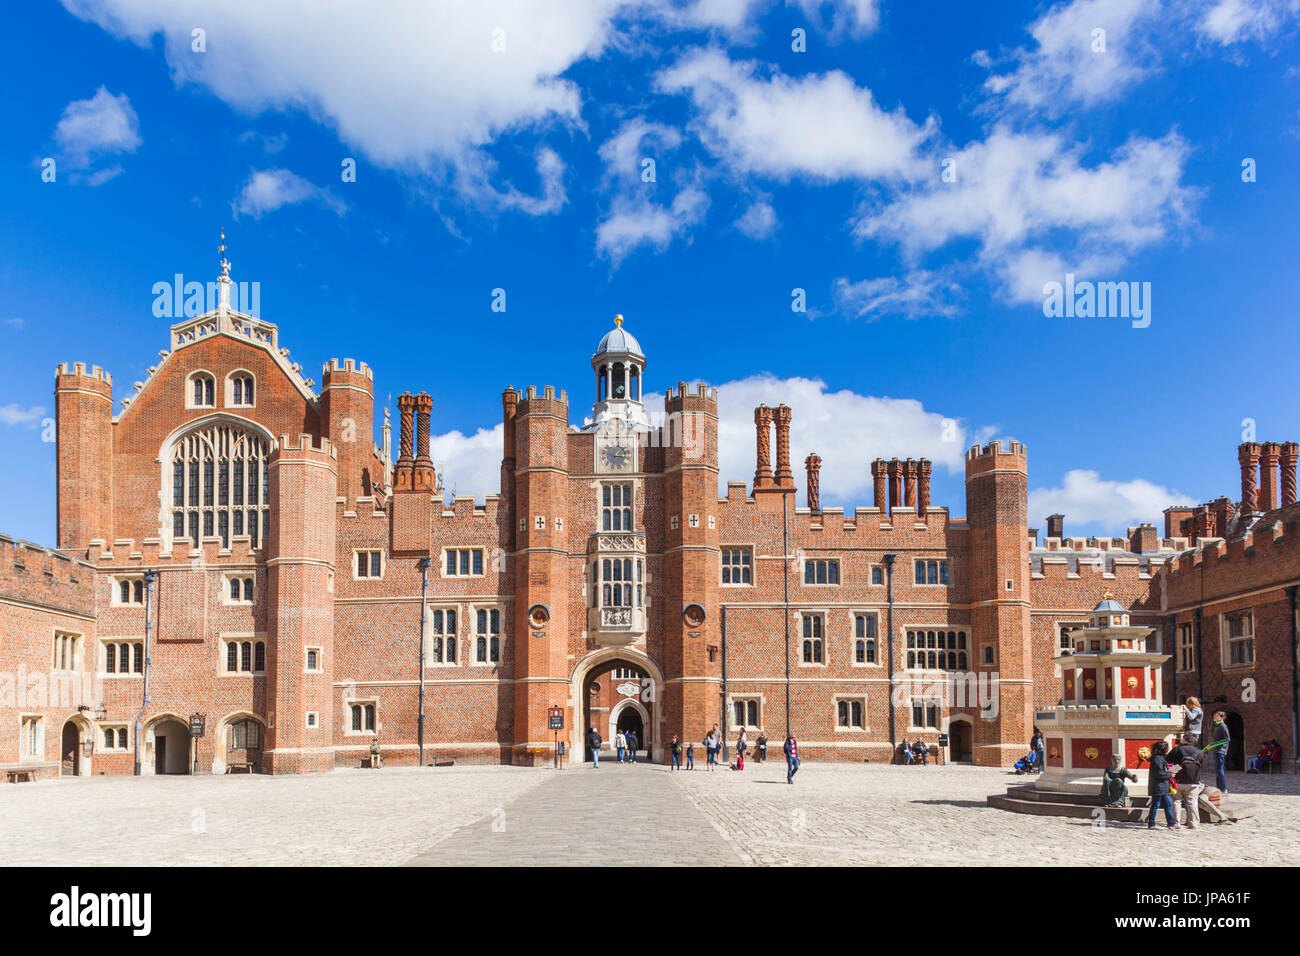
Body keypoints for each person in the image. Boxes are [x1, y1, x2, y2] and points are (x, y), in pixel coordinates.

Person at [1169, 733, 1204, 828]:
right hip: (1194, 782)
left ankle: (1176, 823)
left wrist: (1173, 771)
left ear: (1184, 740)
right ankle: (1194, 823)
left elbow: (1167, 759)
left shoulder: (1177, 749)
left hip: (1178, 780)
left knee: (1176, 801)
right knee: (1192, 803)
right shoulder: (1199, 752)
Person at [1146, 740, 1178, 829]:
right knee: (1156, 805)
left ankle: (1171, 823)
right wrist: (1170, 774)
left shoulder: (1159, 758)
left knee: (1167, 804)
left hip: (1162, 786)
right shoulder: (1157, 760)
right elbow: (1160, 774)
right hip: (1159, 786)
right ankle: (1151, 823)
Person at [1204, 711, 1230, 792]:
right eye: (1214, 715)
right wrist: (1207, 747)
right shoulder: (1217, 726)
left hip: (1220, 751)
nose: (1215, 717)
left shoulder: (1223, 726)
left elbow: (1227, 739)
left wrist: (1212, 745)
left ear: (1222, 718)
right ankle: (1219, 787)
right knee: (1218, 770)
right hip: (1216, 750)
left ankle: (1223, 788)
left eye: (1217, 716)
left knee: (1220, 769)